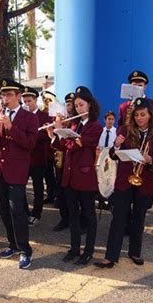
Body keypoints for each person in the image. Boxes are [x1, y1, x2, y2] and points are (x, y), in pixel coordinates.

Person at [95, 98, 153, 269]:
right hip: (125, 181)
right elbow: (112, 155)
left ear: (150, 115)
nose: (139, 118)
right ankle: (110, 256)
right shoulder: (124, 129)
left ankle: (135, 252)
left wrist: (150, 160)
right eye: (136, 115)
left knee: (138, 219)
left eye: (143, 115)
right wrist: (116, 146)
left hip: (144, 181)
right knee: (118, 218)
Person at [48, 86, 102, 265]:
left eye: (81, 105)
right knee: (73, 215)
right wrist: (54, 134)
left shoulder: (96, 127)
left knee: (89, 216)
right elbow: (63, 147)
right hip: (70, 177)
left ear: (90, 105)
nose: (78, 108)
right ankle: (74, 249)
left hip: (85, 177)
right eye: (76, 106)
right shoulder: (74, 124)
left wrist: (65, 135)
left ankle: (88, 251)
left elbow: (76, 144)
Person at [0, 78, 39, 269]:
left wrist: (11, 127)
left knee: (17, 211)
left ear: (18, 96)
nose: (5, 98)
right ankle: (13, 244)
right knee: (3, 211)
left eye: (9, 95)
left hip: (16, 171)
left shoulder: (29, 118)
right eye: (3, 95)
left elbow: (30, 144)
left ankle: (26, 250)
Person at [22, 87, 52, 227]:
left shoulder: (44, 116)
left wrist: (31, 136)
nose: (27, 103)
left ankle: (36, 213)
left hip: (38, 158)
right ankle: (25, 213)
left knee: (38, 189)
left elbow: (47, 136)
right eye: (25, 101)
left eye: (29, 101)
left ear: (35, 100)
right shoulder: (21, 116)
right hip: (23, 159)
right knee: (20, 187)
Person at [52, 92, 77, 232]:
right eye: (67, 104)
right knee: (60, 190)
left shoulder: (77, 122)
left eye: (72, 104)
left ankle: (77, 219)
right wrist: (53, 131)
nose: (69, 107)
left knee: (74, 193)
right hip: (60, 158)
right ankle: (64, 219)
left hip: (73, 160)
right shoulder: (60, 118)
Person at [96, 110, 117, 210]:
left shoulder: (116, 132)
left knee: (111, 178)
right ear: (105, 120)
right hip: (101, 156)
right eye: (109, 119)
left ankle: (111, 201)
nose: (110, 121)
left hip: (111, 158)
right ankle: (101, 200)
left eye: (112, 119)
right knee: (101, 178)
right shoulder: (100, 131)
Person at [41, 90, 58, 204]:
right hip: (46, 149)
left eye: (49, 101)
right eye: (46, 101)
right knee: (48, 174)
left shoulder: (56, 115)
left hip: (55, 148)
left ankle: (56, 195)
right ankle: (50, 194)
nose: (48, 104)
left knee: (57, 174)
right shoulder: (42, 114)